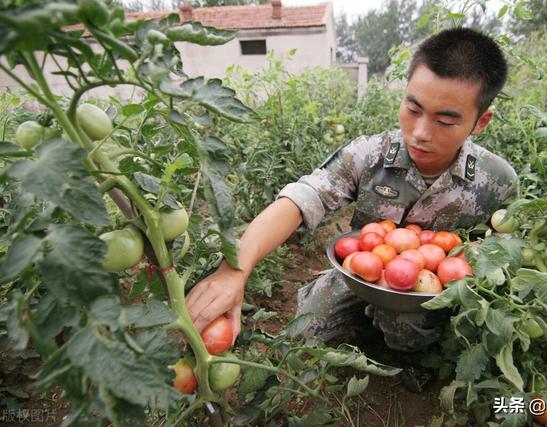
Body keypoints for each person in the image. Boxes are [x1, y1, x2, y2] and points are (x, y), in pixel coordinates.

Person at [186, 27, 517, 353]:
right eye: (412, 109)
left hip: (432, 297)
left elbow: (505, 256)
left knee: (409, 328)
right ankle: (373, 324)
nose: (419, 133)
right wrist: (234, 269)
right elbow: (301, 199)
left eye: (444, 122)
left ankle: (410, 351)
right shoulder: (370, 154)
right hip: (362, 277)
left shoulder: (497, 181)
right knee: (303, 334)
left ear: (480, 122)